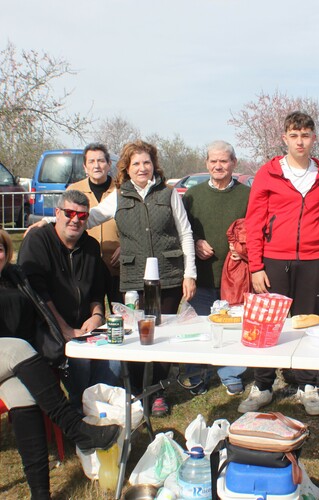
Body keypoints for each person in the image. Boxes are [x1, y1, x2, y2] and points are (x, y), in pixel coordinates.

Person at [0, 229, 120, 499]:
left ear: (7, 251)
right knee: (19, 348)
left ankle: (40, 493)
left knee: (24, 400)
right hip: (11, 354)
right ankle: (76, 428)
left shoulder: (14, 277)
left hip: (9, 364)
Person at [84, 140, 197, 416]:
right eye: (136, 163)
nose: (142, 168)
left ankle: (157, 392)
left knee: (161, 333)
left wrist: (190, 273)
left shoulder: (169, 194)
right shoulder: (119, 196)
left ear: (153, 165)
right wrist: (53, 223)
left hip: (169, 275)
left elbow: (185, 233)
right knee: (135, 334)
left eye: (146, 162)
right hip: (133, 277)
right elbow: (90, 218)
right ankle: (135, 391)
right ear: (127, 168)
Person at [240, 111, 319, 416]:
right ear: (284, 138)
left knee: (310, 322)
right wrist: (256, 265)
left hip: (312, 259)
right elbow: (253, 222)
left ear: (314, 138)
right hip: (273, 259)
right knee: (268, 324)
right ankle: (263, 385)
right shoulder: (268, 173)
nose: (300, 141)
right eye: (294, 135)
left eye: (305, 135)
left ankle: (308, 385)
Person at [18, 190, 121, 408]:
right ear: (57, 212)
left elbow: (96, 290)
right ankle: (81, 413)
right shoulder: (38, 241)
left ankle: (97, 408)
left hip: (85, 328)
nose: (75, 220)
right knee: (79, 360)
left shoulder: (90, 246)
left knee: (116, 359)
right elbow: (38, 295)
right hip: (47, 329)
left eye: (82, 216)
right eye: (69, 213)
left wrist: (97, 315)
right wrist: (64, 329)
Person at [182, 141, 250, 396]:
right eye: (213, 161)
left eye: (224, 161)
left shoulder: (246, 194)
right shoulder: (192, 196)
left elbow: (254, 230)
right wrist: (196, 242)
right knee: (198, 324)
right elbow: (182, 230)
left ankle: (230, 372)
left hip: (234, 275)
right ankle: (197, 373)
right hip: (201, 273)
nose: (218, 166)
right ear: (206, 163)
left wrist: (242, 249)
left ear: (234, 162)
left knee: (233, 325)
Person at [69, 143, 121, 306]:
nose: (96, 165)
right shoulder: (74, 191)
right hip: (86, 266)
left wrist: (127, 247)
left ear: (109, 164)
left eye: (101, 161)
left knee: (123, 316)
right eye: (91, 162)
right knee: (91, 314)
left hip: (118, 266)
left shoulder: (121, 191)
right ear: (85, 167)